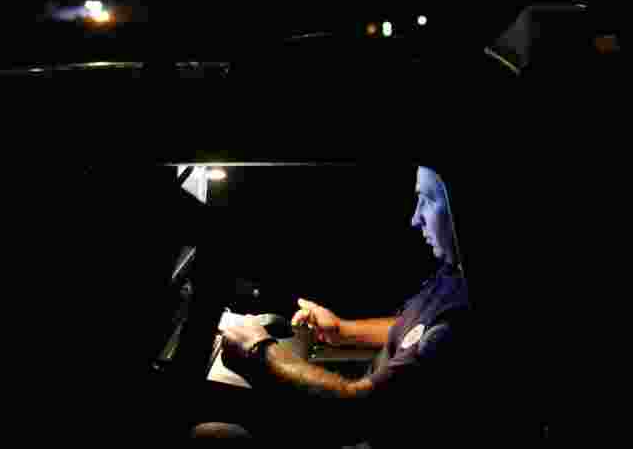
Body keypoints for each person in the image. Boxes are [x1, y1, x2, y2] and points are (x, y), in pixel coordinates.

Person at [189, 165, 474, 446]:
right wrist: (342, 329)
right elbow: (416, 328)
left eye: (429, 200)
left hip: (360, 430)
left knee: (208, 435)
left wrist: (259, 352)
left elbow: (358, 413)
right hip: (360, 406)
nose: (415, 218)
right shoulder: (454, 272)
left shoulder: (458, 321)